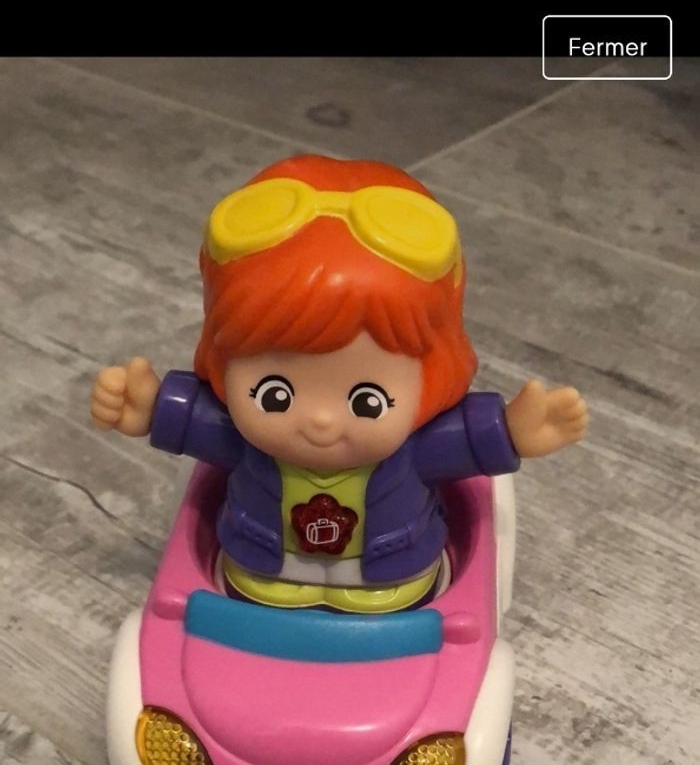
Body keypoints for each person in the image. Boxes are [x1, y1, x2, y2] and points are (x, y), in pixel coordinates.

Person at [91, 156, 588, 614]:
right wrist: (150, 409)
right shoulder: (240, 437)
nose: (321, 421)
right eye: (275, 395)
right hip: (261, 565)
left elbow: (470, 442)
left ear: (429, 379)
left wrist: (514, 432)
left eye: (366, 402)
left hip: (391, 576)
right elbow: (195, 421)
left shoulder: (416, 447)